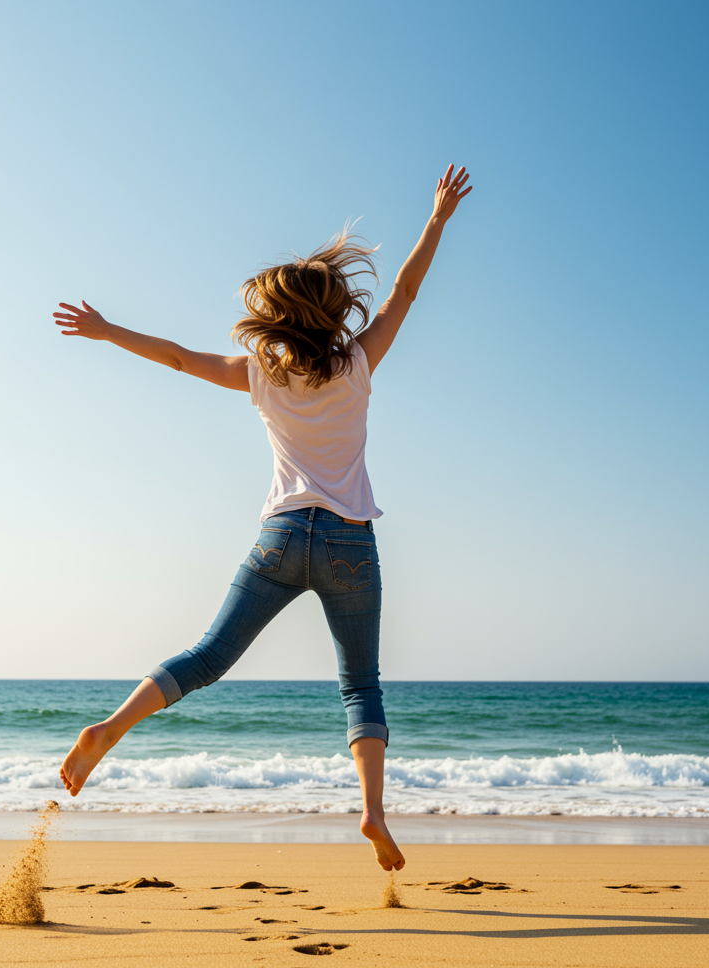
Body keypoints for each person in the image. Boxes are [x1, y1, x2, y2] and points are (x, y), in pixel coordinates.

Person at [54, 164, 472, 872]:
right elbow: (404, 291)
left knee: (208, 657)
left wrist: (105, 331)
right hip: (349, 543)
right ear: (335, 312)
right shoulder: (359, 364)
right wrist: (436, 221)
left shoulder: (261, 372)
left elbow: (182, 359)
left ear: (279, 317)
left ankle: (112, 726)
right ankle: (371, 810)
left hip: (280, 537)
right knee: (360, 684)